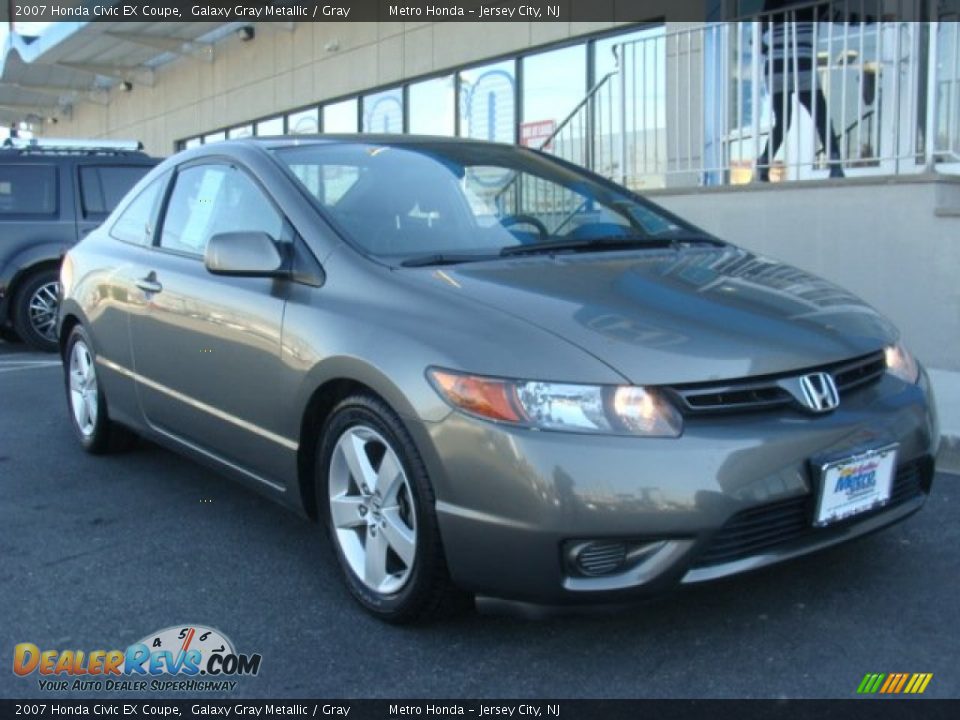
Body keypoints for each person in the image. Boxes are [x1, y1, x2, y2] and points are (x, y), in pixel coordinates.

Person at [755, 0, 844, 181]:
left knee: (782, 122)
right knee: (821, 118)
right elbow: (841, 18)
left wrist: (767, 49)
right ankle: (835, 165)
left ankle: (763, 165)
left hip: (776, 66)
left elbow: (760, 29)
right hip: (801, 63)